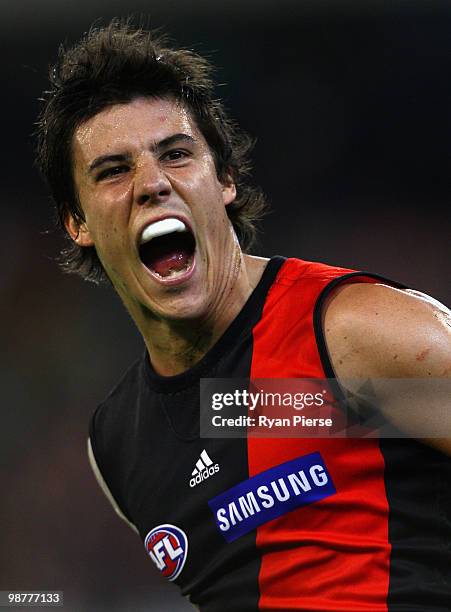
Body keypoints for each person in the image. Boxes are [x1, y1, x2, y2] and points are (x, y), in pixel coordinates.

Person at [36, 19, 451, 612]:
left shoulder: (354, 329)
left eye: (176, 154)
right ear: (76, 222)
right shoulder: (116, 447)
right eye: (113, 170)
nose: (152, 184)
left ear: (224, 179)